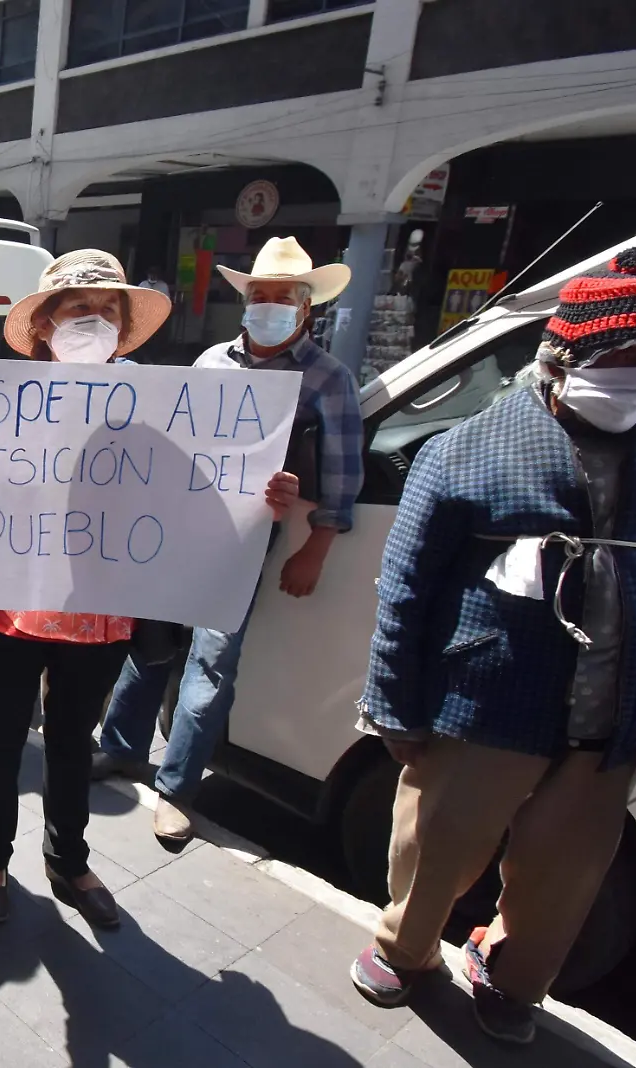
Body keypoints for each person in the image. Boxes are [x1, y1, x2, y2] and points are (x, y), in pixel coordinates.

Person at [347, 249, 636, 1045]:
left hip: (618, 722)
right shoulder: (466, 447)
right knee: (438, 841)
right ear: (566, 356)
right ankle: (405, 948)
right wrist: (393, 700)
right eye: (630, 359)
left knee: (565, 872)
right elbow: (405, 585)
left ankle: (514, 981)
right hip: (486, 702)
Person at [0, 250, 305, 929]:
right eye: (76, 309)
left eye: (106, 310)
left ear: (122, 326)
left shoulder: (159, 401)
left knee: (70, 740)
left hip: (100, 613)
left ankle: (68, 860)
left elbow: (197, 492)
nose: (92, 320)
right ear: (45, 325)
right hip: (7, 603)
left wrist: (262, 493)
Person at [93, 236, 362, 846]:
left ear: (306, 308)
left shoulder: (328, 379)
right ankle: (121, 747)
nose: (267, 305)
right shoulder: (212, 361)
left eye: (281, 298)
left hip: (251, 539)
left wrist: (314, 541)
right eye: (258, 295)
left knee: (212, 660)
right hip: (182, 525)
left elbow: (342, 477)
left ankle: (177, 788)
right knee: (153, 638)